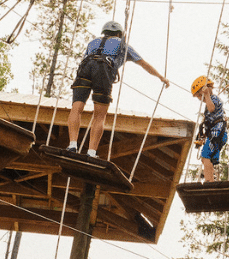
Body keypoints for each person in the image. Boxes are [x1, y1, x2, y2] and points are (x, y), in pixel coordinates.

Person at [67, 21, 169, 157]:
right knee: (99, 115)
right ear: (120, 34)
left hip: (85, 68)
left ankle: (72, 144)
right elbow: (143, 64)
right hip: (103, 70)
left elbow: (85, 58)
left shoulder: (92, 42)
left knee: (77, 107)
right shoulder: (123, 45)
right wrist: (161, 77)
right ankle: (91, 152)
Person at [191, 76, 226, 183]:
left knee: (205, 156)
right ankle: (211, 180)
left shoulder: (214, 99)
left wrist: (206, 95)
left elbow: (211, 109)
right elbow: (208, 124)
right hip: (216, 134)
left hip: (217, 133)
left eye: (199, 96)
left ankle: (209, 181)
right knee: (208, 158)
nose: (200, 99)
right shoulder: (210, 101)